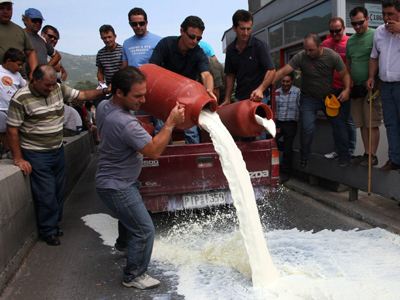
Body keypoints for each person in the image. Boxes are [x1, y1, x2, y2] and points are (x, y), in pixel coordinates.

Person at [95, 66, 185, 289]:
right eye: (137, 96)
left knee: (130, 219)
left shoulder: (104, 106)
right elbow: (154, 151)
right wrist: (171, 123)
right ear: (119, 92)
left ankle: (124, 246)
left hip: (116, 180)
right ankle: (134, 275)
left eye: (145, 94)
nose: (143, 100)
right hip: (117, 185)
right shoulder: (125, 123)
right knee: (144, 229)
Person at [6, 65, 110, 246]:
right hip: (37, 153)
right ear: (34, 80)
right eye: (47, 85)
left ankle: (54, 223)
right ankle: (48, 231)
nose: (51, 89)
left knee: (58, 191)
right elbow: (12, 129)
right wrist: (18, 158)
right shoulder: (21, 98)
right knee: (46, 194)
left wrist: (105, 91)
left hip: (57, 149)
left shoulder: (58, 89)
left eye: (53, 84)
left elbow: (83, 96)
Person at [274, 33, 351, 168]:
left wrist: (347, 90)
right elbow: (283, 71)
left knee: (339, 124)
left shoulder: (332, 56)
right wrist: (265, 85)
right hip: (309, 98)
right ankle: (305, 156)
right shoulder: (301, 56)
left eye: (311, 50)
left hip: (327, 97)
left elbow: (344, 73)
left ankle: (344, 156)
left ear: (320, 46)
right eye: (306, 50)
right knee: (307, 127)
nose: (308, 53)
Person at [149, 15, 215, 144]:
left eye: (199, 38)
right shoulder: (166, 44)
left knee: (191, 132)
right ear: (181, 31)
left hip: (187, 100)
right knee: (161, 129)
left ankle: (193, 161)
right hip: (164, 96)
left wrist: (209, 90)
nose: (195, 41)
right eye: (192, 36)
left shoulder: (198, 52)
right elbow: (152, 69)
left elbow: (206, 75)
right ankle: (162, 161)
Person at [347, 7, 382, 168]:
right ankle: (366, 153)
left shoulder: (376, 34)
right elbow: (349, 64)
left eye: (360, 22)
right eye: (354, 24)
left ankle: (372, 155)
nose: (357, 26)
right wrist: (350, 83)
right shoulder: (351, 40)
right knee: (361, 122)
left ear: (367, 19)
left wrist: (373, 78)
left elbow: (380, 57)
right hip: (357, 88)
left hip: (372, 86)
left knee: (371, 121)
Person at [368, 0, 400, 170]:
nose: (386, 18)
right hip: (386, 86)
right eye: (384, 14)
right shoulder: (380, 31)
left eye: (390, 14)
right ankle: (395, 160)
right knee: (390, 123)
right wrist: (371, 76)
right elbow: (374, 56)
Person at [222, 9, 275, 105]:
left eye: (249, 29)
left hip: (259, 98)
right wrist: (227, 98)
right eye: (242, 29)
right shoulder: (230, 49)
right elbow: (230, 75)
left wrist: (260, 89)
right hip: (240, 98)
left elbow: (271, 70)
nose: (246, 33)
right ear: (234, 28)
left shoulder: (259, 46)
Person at [321, 17, 356, 161]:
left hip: (345, 88)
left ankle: (350, 150)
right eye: (332, 31)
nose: (335, 34)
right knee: (335, 121)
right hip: (330, 89)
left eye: (338, 30)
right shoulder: (325, 44)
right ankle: (338, 149)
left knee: (347, 120)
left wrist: (349, 86)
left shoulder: (350, 42)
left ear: (344, 28)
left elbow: (354, 64)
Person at [0, 0, 37, 79]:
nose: (5, 11)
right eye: (2, 8)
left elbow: (30, 52)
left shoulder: (19, 30)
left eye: (9, 9)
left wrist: (34, 72)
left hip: (18, 77)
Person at [0, 48, 26, 157]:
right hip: (1, 109)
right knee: (2, 132)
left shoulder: (18, 76)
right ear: (9, 61)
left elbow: (25, 87)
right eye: (18, 65)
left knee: (12, 131)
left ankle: (10, 150)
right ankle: (5, 150)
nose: (20, 68)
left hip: (13, 109)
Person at [275, 73, 300, 182]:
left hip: (291, 123)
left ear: (291, 82)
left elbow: (300, 106)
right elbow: (275, 109)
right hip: (279, 123)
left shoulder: (297, 92)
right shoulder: (277, 92)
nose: (285, 84)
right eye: (283, 81)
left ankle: (285, 174)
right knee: (272, 143)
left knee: (287, 149)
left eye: (287, 81)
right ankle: (273, 170)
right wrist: (276, 124)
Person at [22, 8, 61, 74]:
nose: (38, 23)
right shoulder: (20, 35)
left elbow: (57, 56)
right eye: (34, 20)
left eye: (40, 21)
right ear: (25, 20)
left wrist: (45, 69)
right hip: (24, 79)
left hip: (40, 80)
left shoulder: (42, 40)